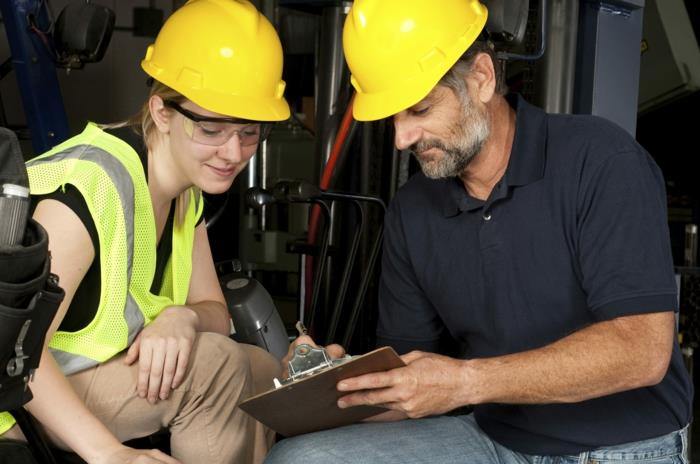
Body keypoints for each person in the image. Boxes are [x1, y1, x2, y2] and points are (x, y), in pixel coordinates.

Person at [265, 0, 693, 462]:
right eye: (392, 118)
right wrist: (333, 387)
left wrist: (465, 381)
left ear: (483, 78)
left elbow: (640, 351)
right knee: (301, 458)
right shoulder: (413, 211)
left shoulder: (602, 162)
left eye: (420, 109)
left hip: (618, 447)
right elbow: (415, 386)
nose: (402, 139)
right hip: (493, 439)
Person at [0, 0, 289, 463]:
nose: (234, 152)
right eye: (212, 128)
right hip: (20, 398)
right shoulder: (91, 186)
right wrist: (111, 454)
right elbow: (15, 353)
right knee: (214, 366)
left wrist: (184, 319)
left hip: (90, 373)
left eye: (250, 131)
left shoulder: (186, 191)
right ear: (161, 112)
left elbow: (216, 309)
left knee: (262, 369)